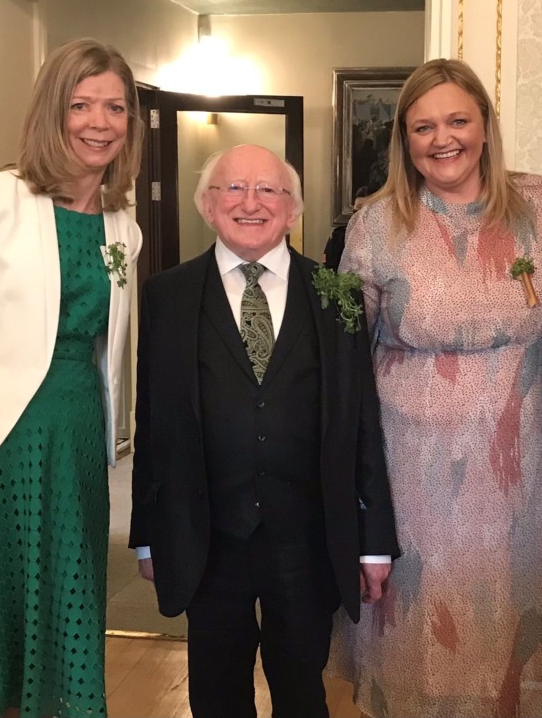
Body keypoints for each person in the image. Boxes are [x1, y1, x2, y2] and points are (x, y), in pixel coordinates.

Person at [328, 58, 542, 717]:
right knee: (424, 640)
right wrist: (350, 483)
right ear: (404, 139)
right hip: (410, 477)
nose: (442, 139)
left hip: (524, 474)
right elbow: (344, 365)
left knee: (509, 630)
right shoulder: (370, 226)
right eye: (423, 126)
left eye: (457, 121)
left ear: (484, 126)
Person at [0, 38, 144, 717]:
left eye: (115, 107)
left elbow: (107, 352)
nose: (98, 122)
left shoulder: (122, 227)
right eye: (81, 104)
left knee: (61, 604)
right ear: (53, 111)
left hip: (70, 445)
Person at [128, 143, 399, 718]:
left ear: (293, 210)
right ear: (207, 204)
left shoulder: (337, 295)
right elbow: (151, 424)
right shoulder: (166, 296)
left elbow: (361, 424)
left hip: (305, 538)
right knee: (216, 691)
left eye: (269, 190)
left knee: (303, 689)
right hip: (209, 538)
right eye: (233, 188)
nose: (251, 202)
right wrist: (147, 533)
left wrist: (374, 538)